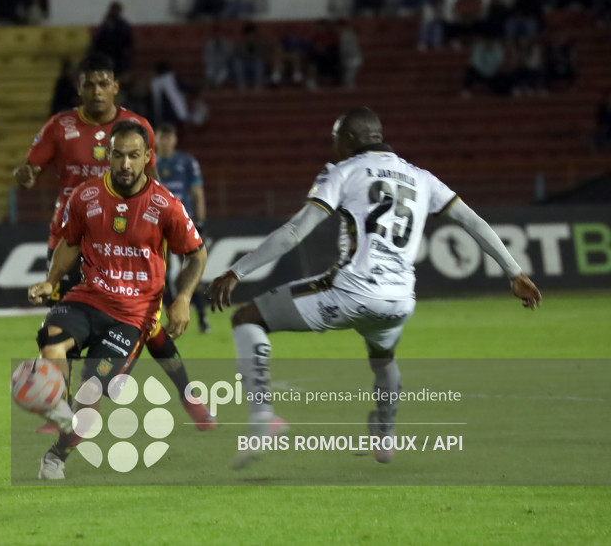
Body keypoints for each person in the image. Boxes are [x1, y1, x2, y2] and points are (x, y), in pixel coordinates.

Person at [208, 107, 541, 468]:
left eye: (336, 138)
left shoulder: (343, 172)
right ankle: (384, 432)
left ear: (349, 139)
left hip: (350, 291)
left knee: (248, 318)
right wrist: (514, 272)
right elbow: (472, 222)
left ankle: (262, 419)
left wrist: (236, 271)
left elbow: (295, 232)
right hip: (399, 300)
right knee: (383, 359)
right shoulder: (421, 177)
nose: (333, 146)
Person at [13, 53, 215, 431]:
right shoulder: (61, 126)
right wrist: (25, 172)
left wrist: (157, 228)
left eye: (103, 83)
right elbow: (31, 165)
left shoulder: (137, 127)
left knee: (147, 325)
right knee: (69, 325)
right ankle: (63, 409)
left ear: (115, 87)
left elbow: (149, 182)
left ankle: (188, 397)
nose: (96, 91)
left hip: (131, 236)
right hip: (74, 237)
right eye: (89, 84)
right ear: (79, 87)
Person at [27, 120, 208, 480]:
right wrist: (51, 281)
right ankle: (63, 409)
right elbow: (71, 242)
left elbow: (197, 255)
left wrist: (184, 298)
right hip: (87, 298)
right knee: (51, 344)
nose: (126, 164)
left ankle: (57, 454)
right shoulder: (86, 196)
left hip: (134, 314)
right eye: (119, 155)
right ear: (107, 156)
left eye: (134, 156)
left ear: (147, 158)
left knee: (95, 388)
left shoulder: (165, 205)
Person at [155, 123, 210, 333]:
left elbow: (198, 193)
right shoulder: (150, 163)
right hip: (159, 227)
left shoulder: (187, 162)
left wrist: (201, 223)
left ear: (174, 140)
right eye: (162, 137)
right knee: (163, 276)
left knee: (191, 272)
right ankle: (171, 319)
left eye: (169, 137)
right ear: (156, 139)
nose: (165, 141)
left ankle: (203, 319)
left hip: (184, 226)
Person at [90, 2, 133, 84]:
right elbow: (97, 41)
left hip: (119, 57)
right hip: (106, 55)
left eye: (116, 10)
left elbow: (127, 41)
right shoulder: (105, 24)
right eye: (113, 9)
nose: (114, 12)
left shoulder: (123, 25)